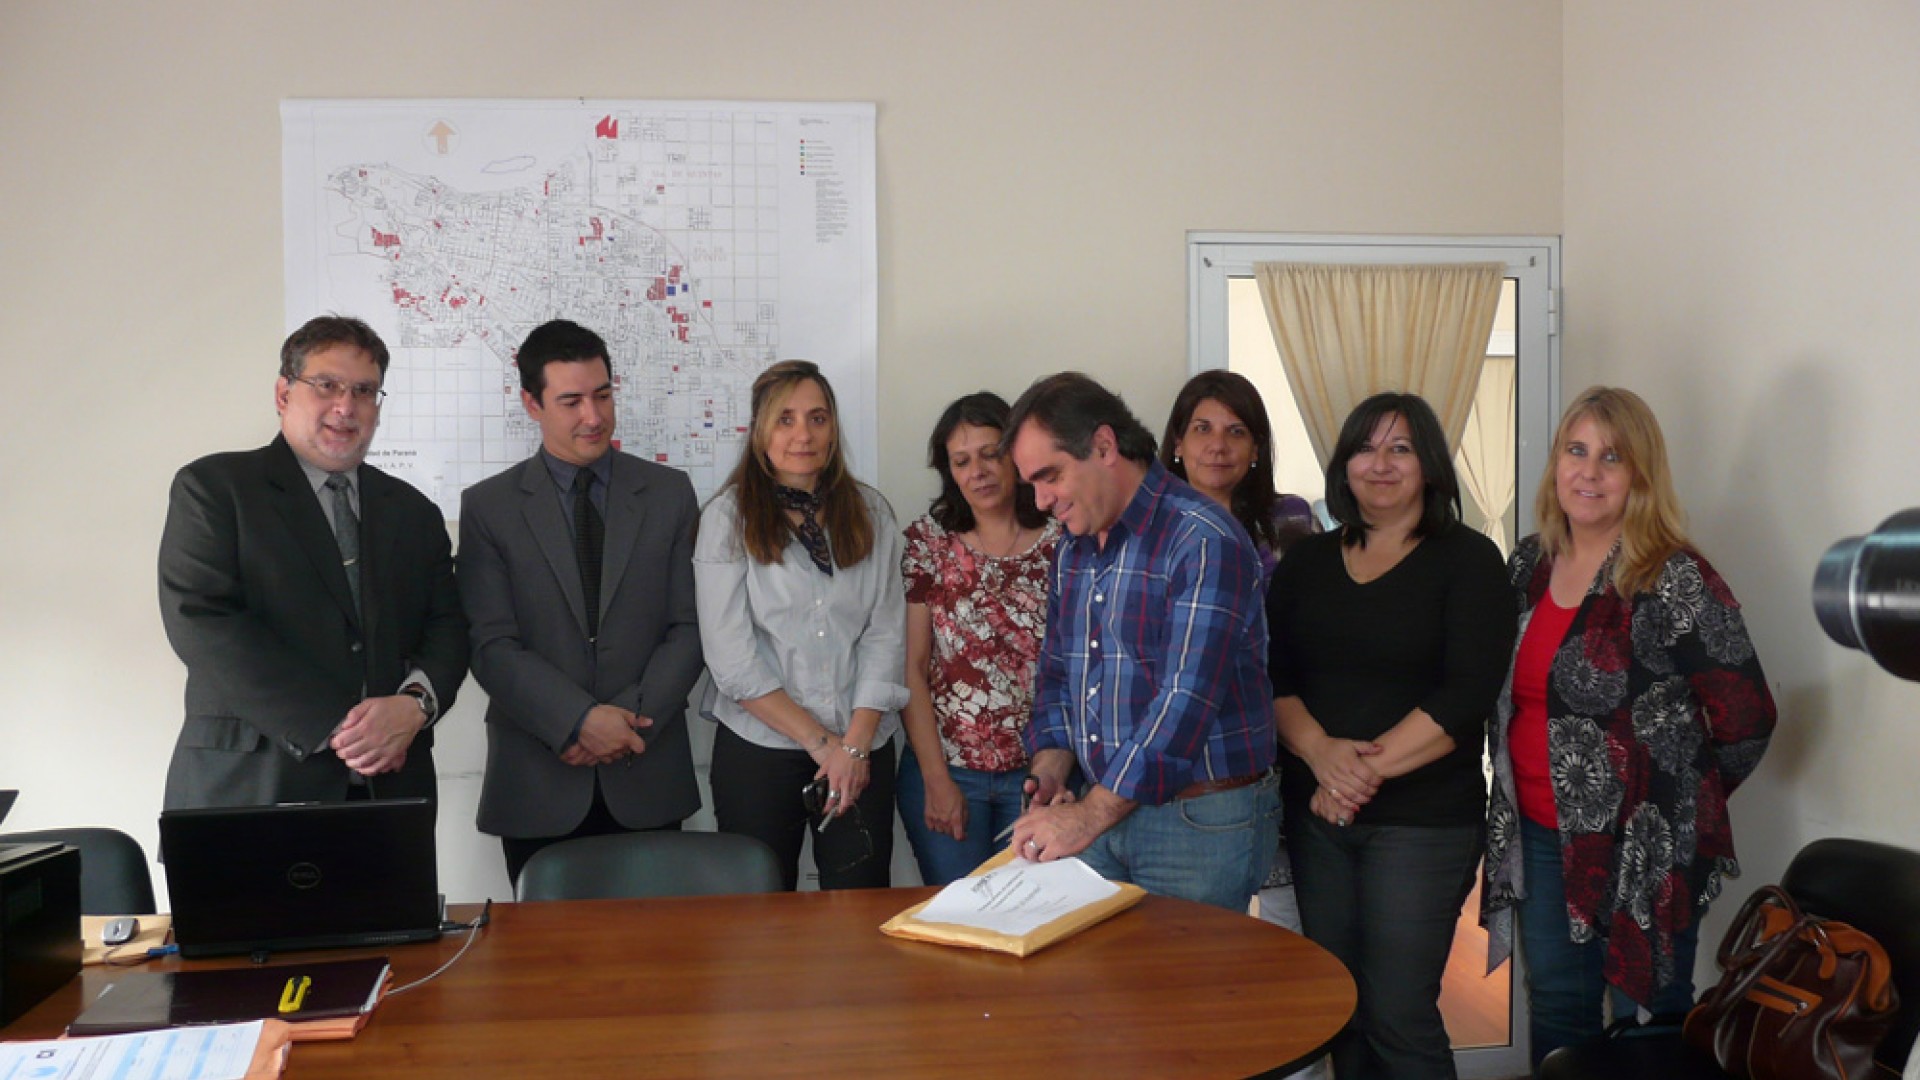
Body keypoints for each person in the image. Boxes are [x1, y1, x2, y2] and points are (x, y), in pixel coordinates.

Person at [1479, 387, 1775, 1069]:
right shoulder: (1528, 565)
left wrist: (1679, 800)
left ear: (1641, 474)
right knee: (1559, 1004)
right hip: (1543, 833)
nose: (1589, 472)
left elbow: (1748, 715)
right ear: (1556, 463)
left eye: (1611, 458)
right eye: (1575, 451)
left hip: (1646, 845)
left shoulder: (1674, 576)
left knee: (1651, 1011)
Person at [1266, 391, 1514, 1080]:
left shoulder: (1469, 561)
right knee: (1340, 1010)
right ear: (1343, 465)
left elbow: (1464, 696)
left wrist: (1352, 778)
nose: (1381, 464)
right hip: (1319, 821)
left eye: (1400, 448)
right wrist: (1322, 756)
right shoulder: (1306, 562)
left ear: (1429, 465)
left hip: (1423, 825)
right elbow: (1274, 678)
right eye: (1366, 448)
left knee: (1399, 1013)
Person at [158, 316, 467, 811]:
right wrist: (340, 728)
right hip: (251, 786)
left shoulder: (414, 512)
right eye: (327, 385)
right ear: (284, 394)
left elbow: (447, 628)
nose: (346, 407)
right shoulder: (216, 489)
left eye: (364, 391)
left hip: (390, 790)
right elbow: (202, 622)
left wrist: (415, 705)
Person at [1005, 372, 1278, 912]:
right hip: (1103, 810)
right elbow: (1058, 673)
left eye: (1050, 476)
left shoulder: (1202, 539)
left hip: (1196, 822)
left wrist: (1087, 815)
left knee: (1182, 971)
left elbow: (1184, 702)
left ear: (1105, 446)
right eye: (1032, 484)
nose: (1041, 500)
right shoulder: (1074, 548)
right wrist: (1051, 766)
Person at [458, 320, 705, 886]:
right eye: (571, 402)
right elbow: (491, 644)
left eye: (603, 395)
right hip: (538, 777)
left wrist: (626, 726)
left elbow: (689, 627)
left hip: (646, 768)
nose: (593, 417)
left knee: (661, 938)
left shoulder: (669, 494)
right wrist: (575, 722)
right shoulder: (489, 508)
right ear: (532, 404)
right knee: (545, 944)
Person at [694, 360, 907, 890]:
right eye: (785, 419)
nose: (803, 435)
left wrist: (853, 747)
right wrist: (822, 745)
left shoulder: (872, 513)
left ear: (833, 428)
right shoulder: (727, 518)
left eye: (817, 418)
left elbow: (885, 635)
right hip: (760, 751)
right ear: (760, 431)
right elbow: (732, 660)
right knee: (759, 915)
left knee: (858, 907)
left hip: (862, 746)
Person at [1160, 369, 1318, 932]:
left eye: (1236, 431)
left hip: (1284, 730)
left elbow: (1311, 629)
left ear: (1256, 449)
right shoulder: (1148, 527)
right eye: (1202, 429)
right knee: (1192, 930)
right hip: (1186, 754)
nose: (1218, 445)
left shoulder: (1288, 518)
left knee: (1287, 915)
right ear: (1177, 443)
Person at [898, 392, 1061, 885]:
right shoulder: (929, 543)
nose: (978, 472)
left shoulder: (1063, 540)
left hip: (1039, 775)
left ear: (1016, 455)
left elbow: (1077, 667)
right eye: (962, 461)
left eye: (991, 454)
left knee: (1034, 913)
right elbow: (912, 668)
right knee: (957, 916)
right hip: (949, 772)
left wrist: (1053, 773)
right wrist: (936, 780)